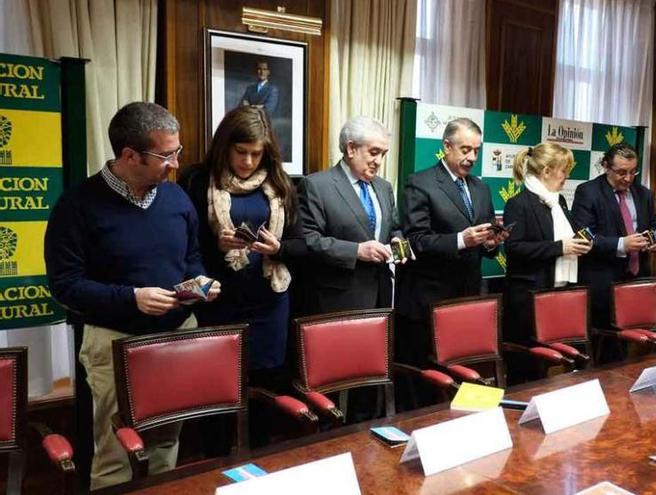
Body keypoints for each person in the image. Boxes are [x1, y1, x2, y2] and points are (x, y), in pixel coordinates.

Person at [44, 102, 220, 489]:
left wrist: (199, 284)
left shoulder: (175, 199)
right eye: (166, 154)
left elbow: (189, 258)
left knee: (167, 441)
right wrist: (131, 297)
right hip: (114, 340)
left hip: (177, 334)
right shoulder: (76, 206)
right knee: (115, 450)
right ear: (129, 155)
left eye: (178, 151)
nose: (176, 163)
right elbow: (65, 285)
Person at [179, 106, 300, 446]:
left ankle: (259, 457)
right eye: (241, 152)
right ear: (224, 147)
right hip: (218, 299)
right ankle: (216, 459)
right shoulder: (196, 180)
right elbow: (184, 245)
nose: (248, 162)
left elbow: (301, 243)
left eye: (256, 154)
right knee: (215, 385)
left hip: (268, 299)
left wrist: (277, 248)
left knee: (265, 385)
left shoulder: (279, 182)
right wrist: (215, 242)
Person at [395, 118, 508, 367]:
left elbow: (486, 247)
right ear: (447, 146)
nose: (472, 157)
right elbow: (416, 241)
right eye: (465, 149)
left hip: (467, 297)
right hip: (429, 300)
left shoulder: (481, 188)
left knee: (465, 370)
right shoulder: (420, 183)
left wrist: (491, 242)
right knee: (428, 378)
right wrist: (461, 240)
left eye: (476, 150)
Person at [296, 116, 401, 315]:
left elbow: (394, 227)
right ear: (351, 148)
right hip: (338, 298)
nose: (378, 161)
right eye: (374, 152)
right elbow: (309, 241)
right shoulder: (316, 186)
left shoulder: (384, 187)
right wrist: (357, 251)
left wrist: (398, 244)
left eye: (383, 154)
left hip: (381, 294)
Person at [572, 142, 656, 345]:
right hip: (603, 282)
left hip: (637, 280)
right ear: (605, 165)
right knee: (605, 347)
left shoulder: (643, 193)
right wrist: (622, 244)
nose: (628, 178)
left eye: (633, 172)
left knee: (635, 344)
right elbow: (584, 236)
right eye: (621, 172)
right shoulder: (588, 192)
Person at [503, 143, 592, 347]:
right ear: (546, 171)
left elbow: (566, 236)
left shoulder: (559, 201)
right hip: (528, 299)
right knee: (529, 368)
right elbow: (514, 248)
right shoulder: (518, 204)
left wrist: (580, 243)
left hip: (558, 293)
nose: (566, 176)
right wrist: (561, 247)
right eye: (564, 170)